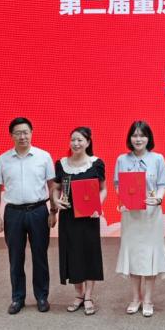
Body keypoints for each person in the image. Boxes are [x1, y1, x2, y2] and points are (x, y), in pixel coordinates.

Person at [0, 117, 56, 314]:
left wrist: (53, 211)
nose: (22, 136)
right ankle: (17, 298)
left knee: (40, 256)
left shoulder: (43, 157)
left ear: (31, 133)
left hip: (38, 211)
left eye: (26, 132)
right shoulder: (3, 160)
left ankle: (42, 296)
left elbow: (52, 186)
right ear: (11, 135)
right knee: (15, 257)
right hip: (14, 213)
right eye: (18, 133)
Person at [114, 120, 165, 317]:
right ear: (130, 138)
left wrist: (159, 198)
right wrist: (124, 198)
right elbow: (117, 184)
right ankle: (135, 298)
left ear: (148, 138)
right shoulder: (122, 159)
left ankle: (147, 299)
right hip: (131, 215)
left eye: (142, 135)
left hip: (151, 215)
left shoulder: (157, 159)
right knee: (134, 255)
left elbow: (163, 184)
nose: (138, 139)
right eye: (135, 135)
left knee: (149, 255)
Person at [50, 127, 106, 316]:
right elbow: (56, 188)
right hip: (68, 217)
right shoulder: (61, 164)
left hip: (89, 217)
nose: (76, 143)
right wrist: (56, 200)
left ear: (88, 142)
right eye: (73, 139)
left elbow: (103, 189)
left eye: (80, 140)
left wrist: (98, 206)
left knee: (90, 254)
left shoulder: (96, 163)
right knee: (72, 253)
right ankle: (78, 294)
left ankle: (88, 296)